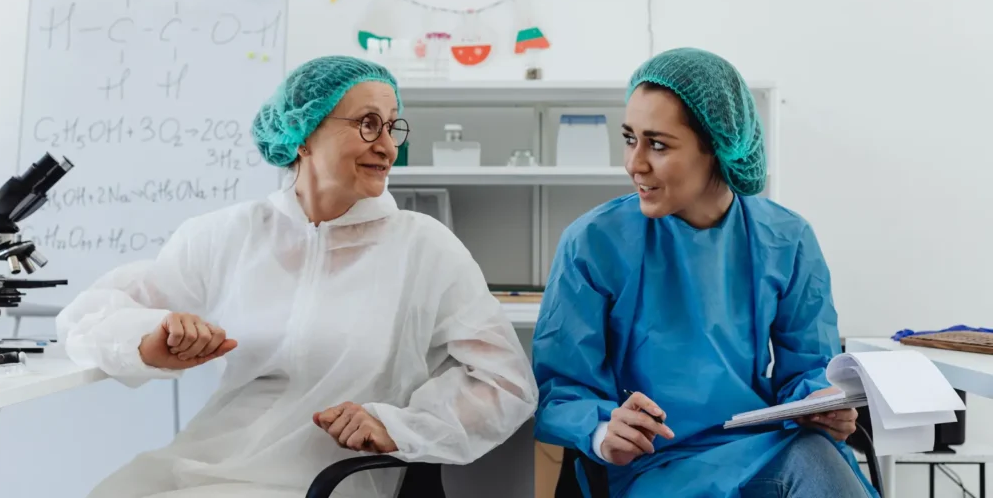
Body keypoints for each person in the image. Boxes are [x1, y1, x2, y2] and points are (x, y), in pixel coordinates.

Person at [56, 55, 538, 498]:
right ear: (303, 132)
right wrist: (150, 341)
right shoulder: (227, 235)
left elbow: (507, 383)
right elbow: (88, 317)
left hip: (327, 480)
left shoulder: (423, 248)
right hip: (202, 461)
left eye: (393, 128)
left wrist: (402, 425)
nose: (389, 147)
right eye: (369, 124)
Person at [531, 48, 878, 498]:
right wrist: (603, 430)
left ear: (715, 146)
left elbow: (808, 368)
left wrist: (821, 403)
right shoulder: (594, 243)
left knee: (817, 458)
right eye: (629, 138)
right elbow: (560, 390)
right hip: (654, 466)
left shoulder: (786, 238)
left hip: (764, 450)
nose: (635, 163)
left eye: (657, 144)